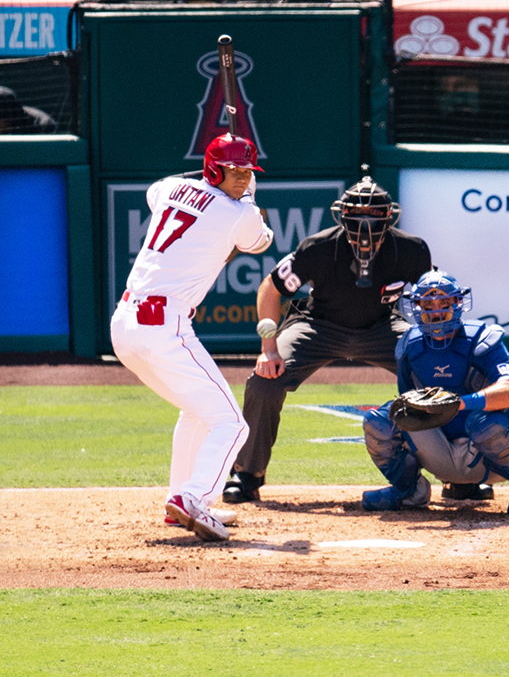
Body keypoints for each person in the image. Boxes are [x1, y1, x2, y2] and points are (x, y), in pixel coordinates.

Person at [223, 177, 432, 503]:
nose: (365, 225)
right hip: (318, 326)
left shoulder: (411, 250)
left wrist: (435, 349)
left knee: (440, 373)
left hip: (382, 327)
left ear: (389, 217)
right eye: (357, 216)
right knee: (265, 380)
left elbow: (433, 296)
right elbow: (270, 288)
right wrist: (268, 347)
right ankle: (248, 472)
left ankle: (458, 472)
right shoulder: (318, 248)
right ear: (342, 217)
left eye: (374, 216)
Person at [110, 133, 274, 542]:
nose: (241, 179)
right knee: (233, 425)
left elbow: (160, 190)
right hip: (163, 326)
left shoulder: (171, 188)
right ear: (215, 169)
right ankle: (194, 497)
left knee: (197, 410)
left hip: (125, 325)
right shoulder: (239, 213)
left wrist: (228, 186)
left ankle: (178, 500)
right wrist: (249, 200)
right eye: (234, 172)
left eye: (246, 173)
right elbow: (259, 241)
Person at [360, 270, 509, 517]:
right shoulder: (409, 345)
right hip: (437, 450)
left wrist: (460, 403)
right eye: (427, 304)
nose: (435, 311)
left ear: (457, 304)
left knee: (484, 423)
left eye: (443, 304)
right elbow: (407, 411)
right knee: (380, 420)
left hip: (490, 456)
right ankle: (409, 491)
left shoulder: (483, 339)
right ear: (416, 307)